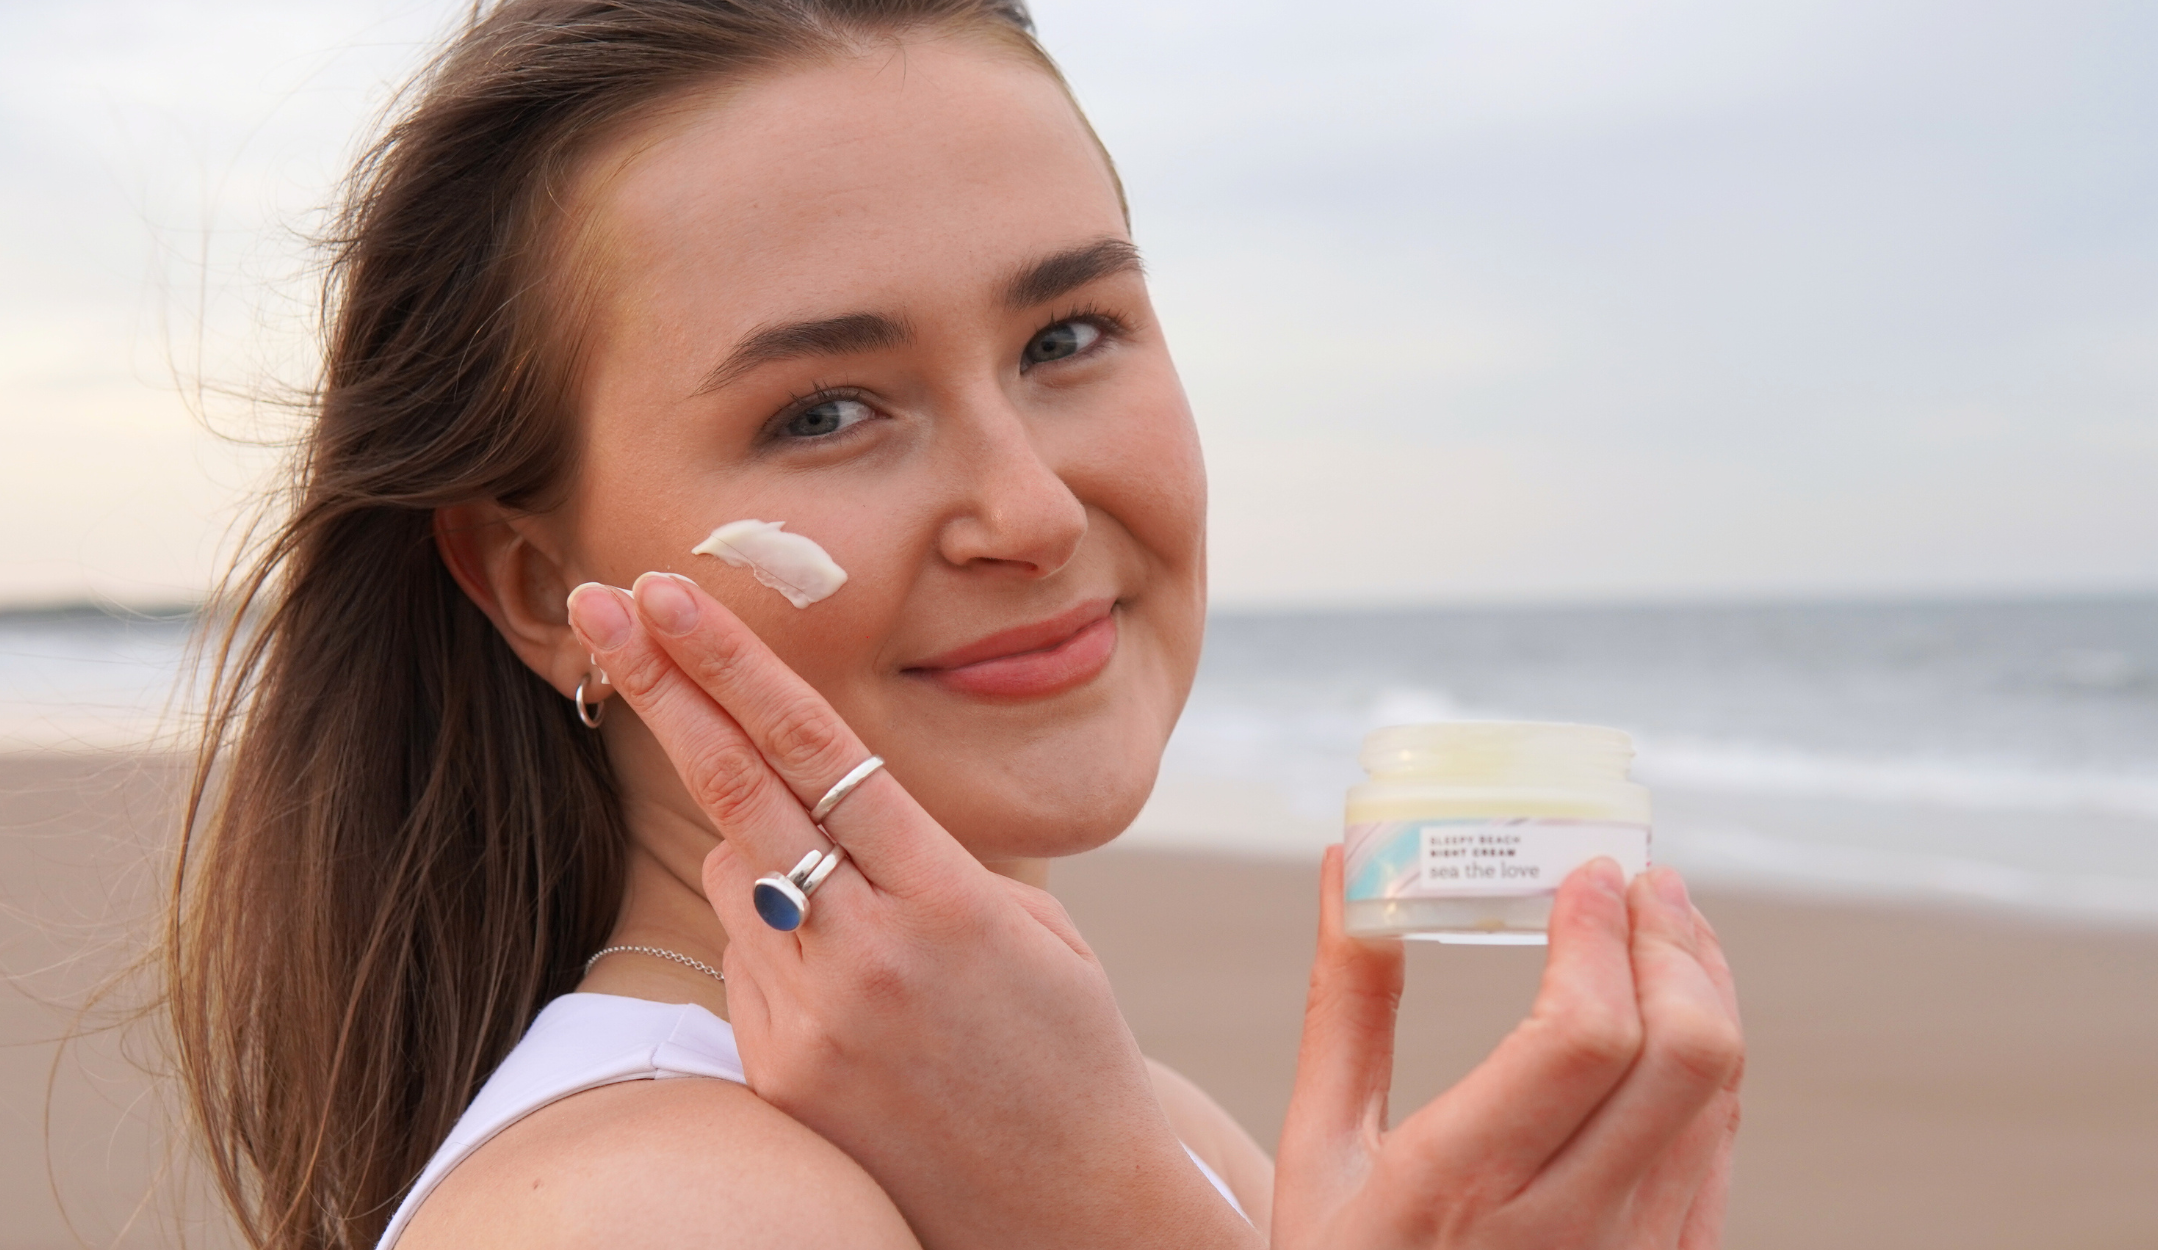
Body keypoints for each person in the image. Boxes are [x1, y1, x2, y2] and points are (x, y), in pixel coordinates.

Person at [165, 2, 1744, 1247]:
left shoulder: (1126, 1118)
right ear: (531, 588)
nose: (1036, 511)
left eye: (1069, 333)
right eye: (828, 409)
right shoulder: (677, 1205)